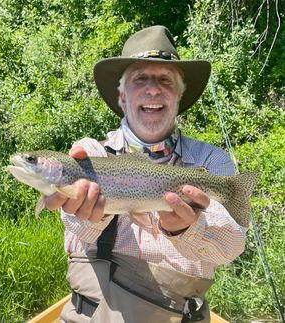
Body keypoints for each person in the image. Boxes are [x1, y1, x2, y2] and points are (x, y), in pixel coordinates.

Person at [45, 26, 247, 323]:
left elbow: (231, 248)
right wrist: (88, 210)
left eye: (165, 79)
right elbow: (75, 223)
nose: (153, 89)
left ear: (179, 96)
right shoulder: (91, 154)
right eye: (140, 79)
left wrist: (190, 230)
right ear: (122, 97)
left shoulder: (211, 161)